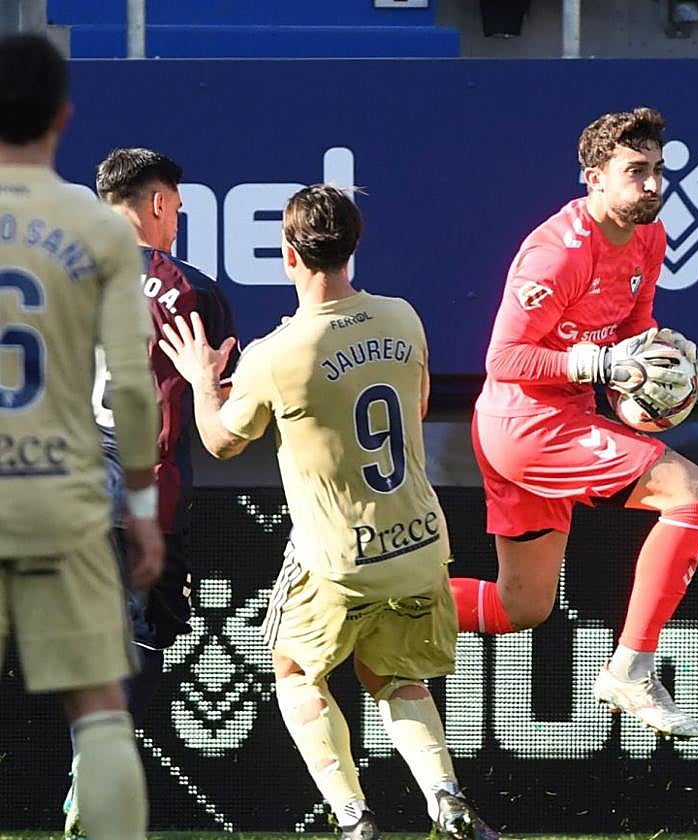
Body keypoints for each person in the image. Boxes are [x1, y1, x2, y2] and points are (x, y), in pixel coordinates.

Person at [158, 184, 499, 840]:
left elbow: (223, 442)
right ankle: (446, 796)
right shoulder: (404, 318)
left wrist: (204, 382)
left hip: (337, 560)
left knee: (292, 671)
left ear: (288, 255)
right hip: (421, 547)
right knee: (399, 680)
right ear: (354, 247)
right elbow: (418, 405)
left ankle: (352, 815)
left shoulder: (275, 355)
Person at [452, 107, 698, 740]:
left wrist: (668, 364)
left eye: (658, 170)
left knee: (523, 605)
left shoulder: (649, 237)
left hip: (554, 416)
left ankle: (373, 604)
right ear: (594, 179)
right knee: (693, 496)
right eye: (635, 172)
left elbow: (633, 327)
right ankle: (631, 669)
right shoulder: (556, 253)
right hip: (527, 424)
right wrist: (601, 362)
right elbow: (503, 358)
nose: (652, 185)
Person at [0, 32, 163, 840]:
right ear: (62, 116)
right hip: (65, 492)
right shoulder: (101, 232)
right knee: (98, 699)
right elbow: (131, 389)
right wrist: (140, 504)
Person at [63, 147, 240, 838]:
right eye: (179, 208)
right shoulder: (189, 289)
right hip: (149, 491)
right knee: (146, 636)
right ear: (159, 202)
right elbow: (216, 402)